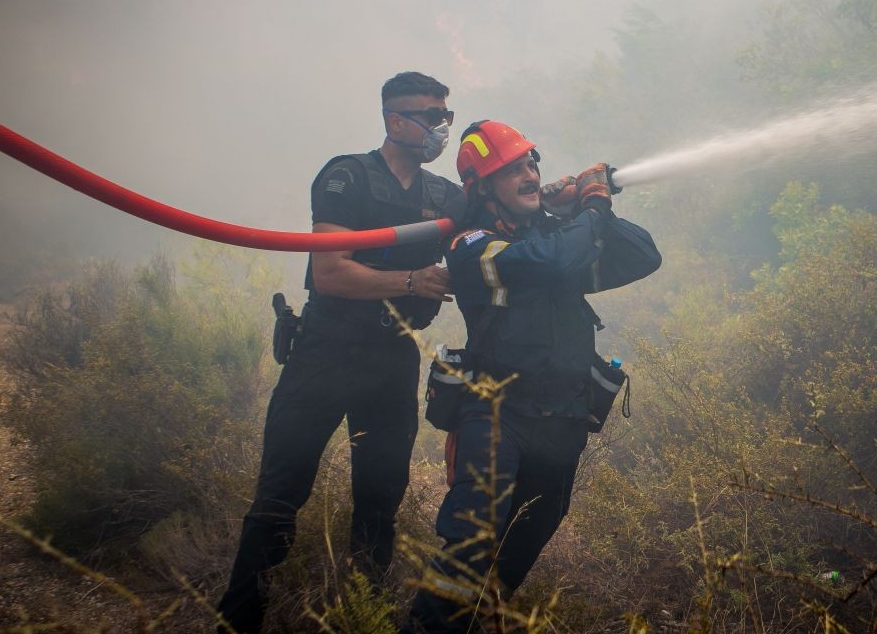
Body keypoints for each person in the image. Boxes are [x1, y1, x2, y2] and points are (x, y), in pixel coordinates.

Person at [217, 72, 466, 634]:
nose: (439, 128)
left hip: (392, 359)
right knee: (280, 496)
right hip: (327, 353)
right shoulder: (346, 175)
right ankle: (237, 620)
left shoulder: (445, 197)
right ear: (394, 120)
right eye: (429, 117)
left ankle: (363, 617)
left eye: (444, 117)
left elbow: (497, 224)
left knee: (380, 504)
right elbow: (329, 273)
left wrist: (554, 196)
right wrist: (409, 281)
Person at [403, 120, 662, 633]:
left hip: (562, 420)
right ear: (482, 189)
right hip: (497, 414)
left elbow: (642, 255)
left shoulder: (554, 234)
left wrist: (572, 209)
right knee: (473, 541)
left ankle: (478, 621)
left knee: (532, 531)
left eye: (530, 163)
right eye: (512, 169)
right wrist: (591, 206)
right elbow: (550, 260)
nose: (529, 174)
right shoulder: (471, 246)